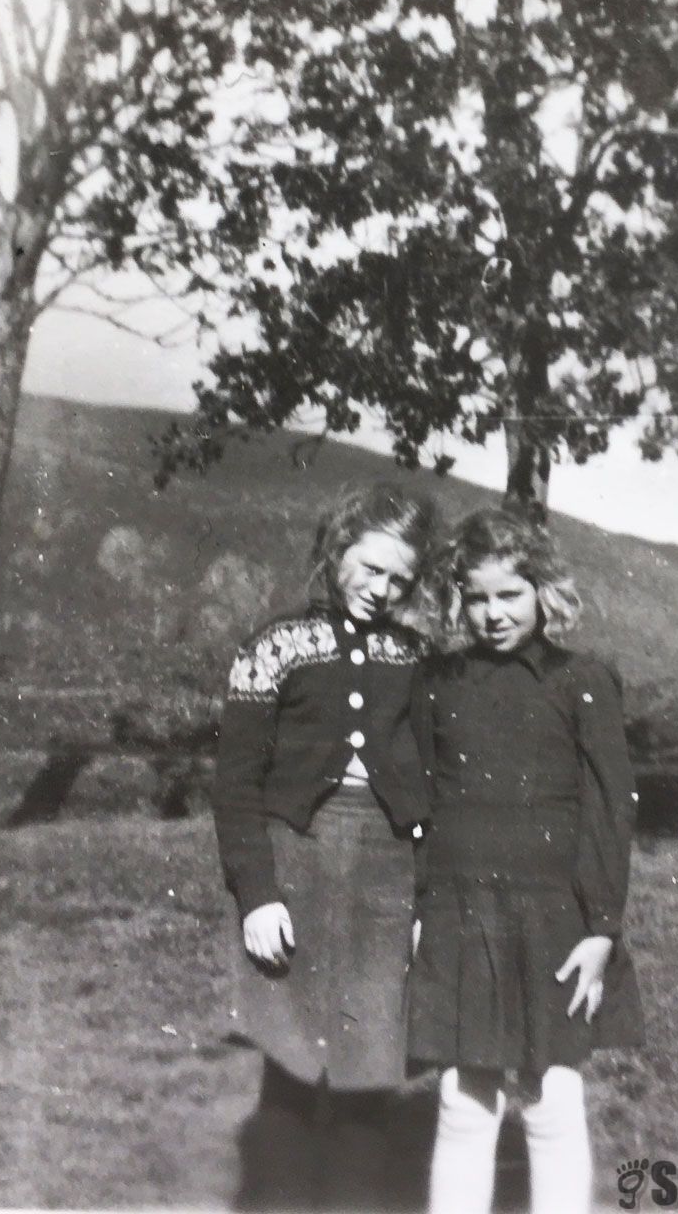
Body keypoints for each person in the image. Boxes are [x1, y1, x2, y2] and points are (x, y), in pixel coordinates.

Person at [409, 507, 644, 1214]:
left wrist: (601, 927)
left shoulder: (584, 680)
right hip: (457, 907)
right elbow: (418, 799)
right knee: (463, 1099)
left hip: (553, 917)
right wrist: (418, 908)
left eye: (509, 594)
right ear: (458, 600)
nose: (492, 613)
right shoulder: (435, 681)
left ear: (544, 591)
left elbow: (611, 807)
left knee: (551, 1095)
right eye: (476, 598)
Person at [212, 482, 440, 1212]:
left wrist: (422, 903)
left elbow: (433, 788)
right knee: (287, 1072)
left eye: (400, 579)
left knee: (367, 1079)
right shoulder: (273, 648)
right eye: (370, 569)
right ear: (337, 551)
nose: (383, 590)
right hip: (294, 869)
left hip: (386, 874)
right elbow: (237, 786)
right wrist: (257, 896)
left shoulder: (416, 658)